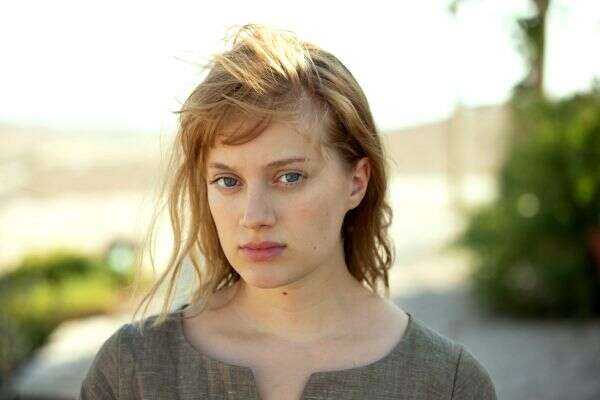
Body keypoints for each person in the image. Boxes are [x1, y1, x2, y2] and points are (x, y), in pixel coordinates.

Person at [78, 23, 497, 399]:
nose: (254, 216)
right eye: (228, 181)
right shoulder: (132, 370)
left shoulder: (447, 383)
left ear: (357, 182)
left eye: (289, 177)